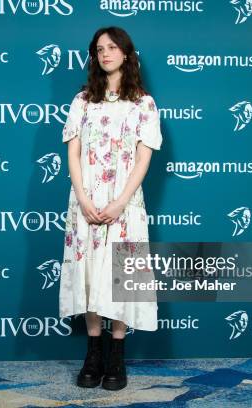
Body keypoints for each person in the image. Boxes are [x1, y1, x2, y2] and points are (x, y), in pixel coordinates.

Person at [59, 26, 163, 391]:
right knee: (89, 274)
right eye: (99, 48)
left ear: (126, 54)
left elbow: (142, 159)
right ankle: (93, 355)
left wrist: (119, 202)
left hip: (125, 203)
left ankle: (116, 356)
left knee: (121, 279)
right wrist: (84, 199)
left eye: (112, 47)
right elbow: (72, 153)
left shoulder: (144, 103)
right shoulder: (82, 101)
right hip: (85, 200)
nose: (105, 53)